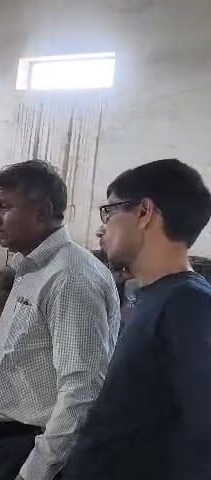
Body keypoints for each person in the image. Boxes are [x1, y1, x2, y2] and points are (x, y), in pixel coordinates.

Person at [64, 159, 211, 480]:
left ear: (144, 212)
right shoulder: (153, 297)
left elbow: (202, 438)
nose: (102, 229)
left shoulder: (190, 306)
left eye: (110, 213)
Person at [0, 160, 121, 480]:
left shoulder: (70, 277)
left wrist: (35, 471)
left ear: (42, 212)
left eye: (4, 207)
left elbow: (82, 389)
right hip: (7, 443)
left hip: (32, 449)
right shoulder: (34, 267)